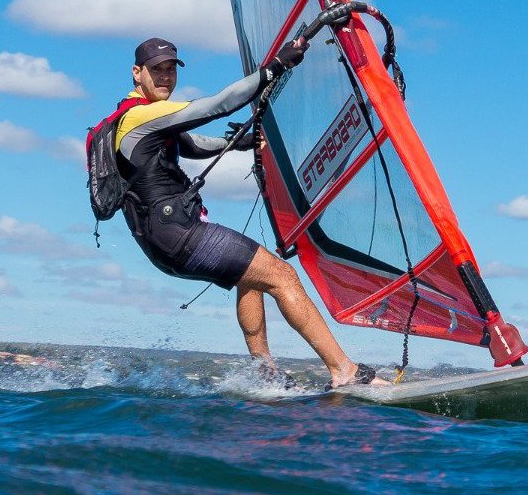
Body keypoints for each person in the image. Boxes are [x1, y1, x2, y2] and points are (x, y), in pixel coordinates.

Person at [115, 36, 385, 388]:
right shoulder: (142, 115)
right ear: (137, 73)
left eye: (170, 70)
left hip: (162, 238)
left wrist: (236, 144)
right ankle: (343, 371)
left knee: (252, 277)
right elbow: (218, 105)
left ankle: (266, 374)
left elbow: (191, 145)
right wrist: (276, 66)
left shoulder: (133, 118)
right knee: (282, 276)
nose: (165, 77)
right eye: (156, 70)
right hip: (179, 233)